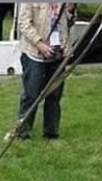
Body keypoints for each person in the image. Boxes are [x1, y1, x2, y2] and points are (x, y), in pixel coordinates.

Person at [15, 3, 75, 140]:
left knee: (54, 95)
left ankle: (51, 133)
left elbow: (69, 23)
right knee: (31, 95)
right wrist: (39, 43)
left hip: (59, 52)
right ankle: (23, 133)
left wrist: (71, 10)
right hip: (34, 53)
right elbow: (23, 23)